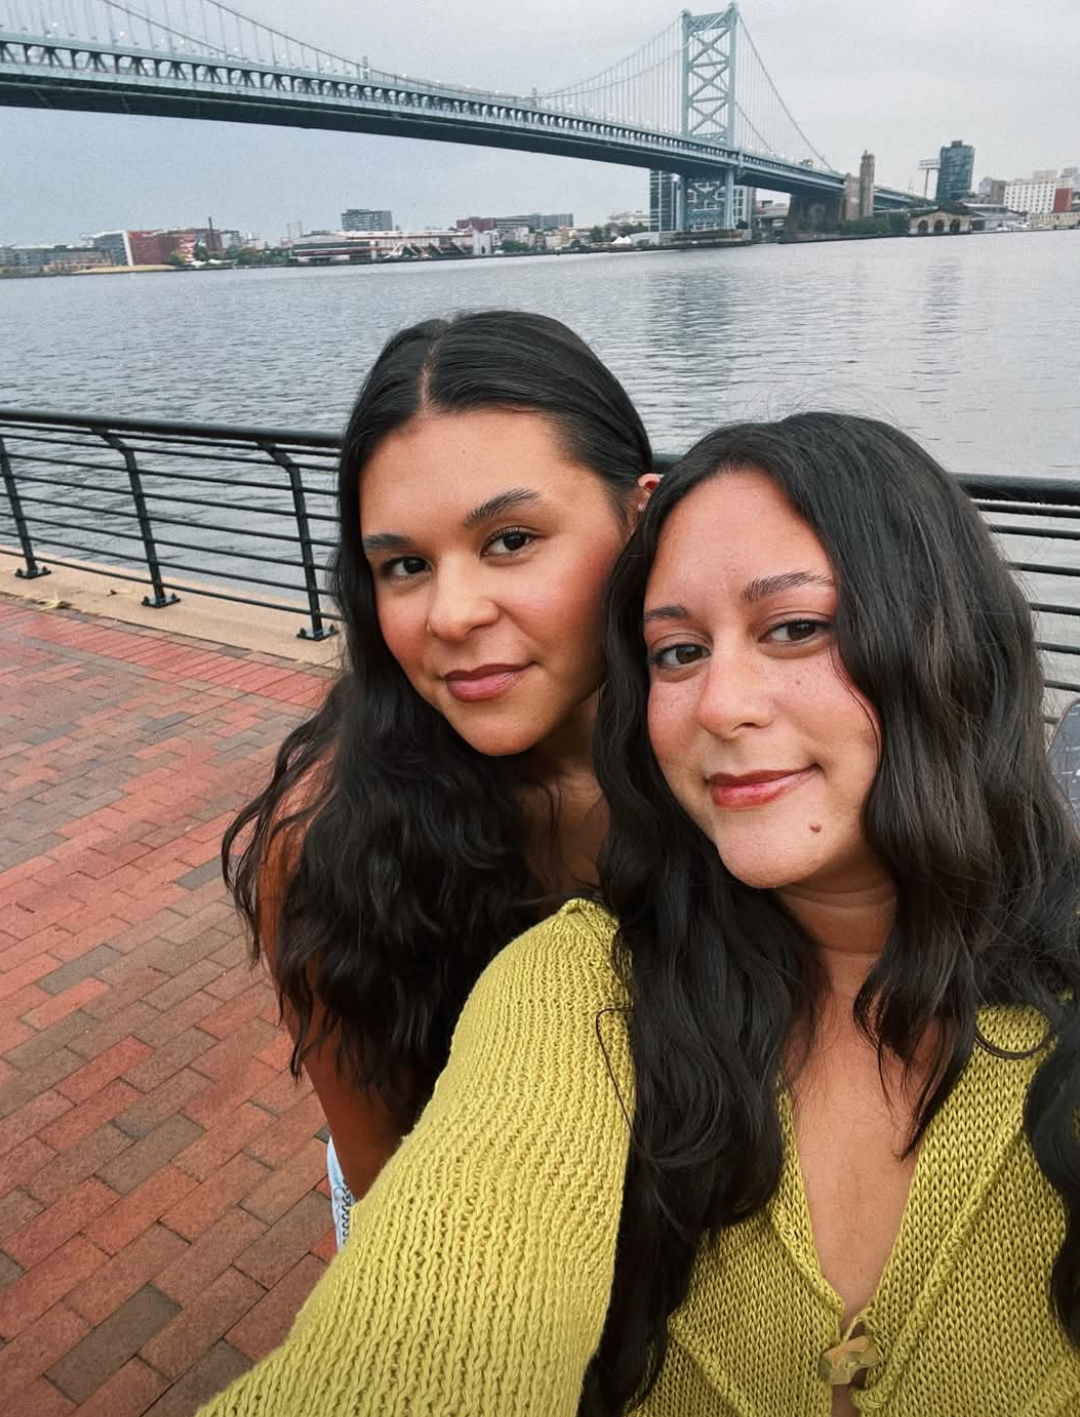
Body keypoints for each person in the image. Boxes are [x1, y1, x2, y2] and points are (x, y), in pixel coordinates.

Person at [202, 412, 1080, 1417]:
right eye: (677, 651)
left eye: (796, 627)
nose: (719, 704)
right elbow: (437, 1261)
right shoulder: (571, 983)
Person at [223, 310, 655, 1245]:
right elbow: (389, 1185)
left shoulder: (748, 764)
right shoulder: (329, 843)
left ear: (640, 516)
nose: (452, 615)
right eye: (406, 564)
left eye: (510, 539)